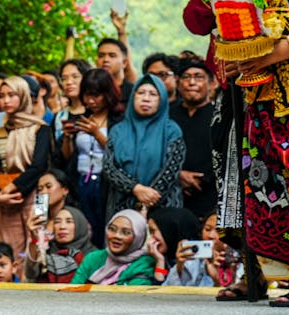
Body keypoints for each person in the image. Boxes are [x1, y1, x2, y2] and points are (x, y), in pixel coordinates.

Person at [222, 0, 289, 305]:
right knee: (275, 187)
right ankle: (279, 273)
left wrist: (267, 54)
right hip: (269, 94)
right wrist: (242, 54)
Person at [0, 76, 51, 261]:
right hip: (5, 201)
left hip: (36, 194)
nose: (5, 100)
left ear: (23, 96)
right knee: (9, 252)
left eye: (11, 95)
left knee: (37, 248)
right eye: (2, 95)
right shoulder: (0, 132)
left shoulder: (41, 129)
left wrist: (9, 189)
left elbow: (39, 166)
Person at [104, 76, 185, 220]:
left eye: (153, 94)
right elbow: (110, 167)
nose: (146, 98)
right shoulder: (118, 131)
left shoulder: (172, 130)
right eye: (141, 93)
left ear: (162, 100)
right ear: (133, 96)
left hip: (162, 206)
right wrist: (135, 188)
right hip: (122, 206)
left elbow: (171, 169)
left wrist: (146, 200)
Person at [60, 68, 118, 246]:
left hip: (106, 182)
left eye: (96, 95)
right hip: (81, 180)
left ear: (107, 94)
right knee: (85, 227)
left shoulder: (118, 120)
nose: (90, 101)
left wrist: (96, 133)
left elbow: (118, 153)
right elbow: (68, 157)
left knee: (104, 227)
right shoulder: (82, 118)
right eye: (86, 95)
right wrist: (68, 138)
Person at [169, 58, 216, 216]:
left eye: (198, 77)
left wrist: (200, 179)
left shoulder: (219, 116)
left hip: (210, 195)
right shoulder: (168, 115)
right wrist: (178, 175)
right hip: (171, 194)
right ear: (178, 83)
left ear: (211, 83)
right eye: (186, 77)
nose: (192, 82)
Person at [70, 210, 155, 285]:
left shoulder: (144, 264)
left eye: (126, 232)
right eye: (112, 229)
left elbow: (133, 299)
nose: (116, 236)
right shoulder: (93, 258)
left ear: (138, 237)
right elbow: (74, 290)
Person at [166, 211, 241, 288]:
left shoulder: (240, 263)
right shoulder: (191, 261)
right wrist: (179, 268)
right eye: (207, 229)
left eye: (219, 231)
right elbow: (167, 293)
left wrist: (219, 282)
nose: (211, 236)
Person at [24, 206, 94, 283]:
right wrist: (34, 237)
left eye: (69, 221)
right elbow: (30, 275)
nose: (62, 227)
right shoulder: (47, 253)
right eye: (57, 222)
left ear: (80, 225)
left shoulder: (94, 257)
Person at [146, 207, 201, 284]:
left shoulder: (192, 261)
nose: (151, 238)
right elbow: (157, 292)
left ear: (170, 231)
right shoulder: (158, 258)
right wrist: (160, 262)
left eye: (153, 231)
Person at [53, 59, 91, 144]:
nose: (69, 82)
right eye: (64, 78)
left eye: (75, 77)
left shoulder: (97, 113)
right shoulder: (59, 117)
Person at [96, 38, 134, 104]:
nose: (105, 60)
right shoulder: (89, 90)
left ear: (124, 63)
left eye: (112, 56)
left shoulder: (133, 92)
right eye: (101, 56)